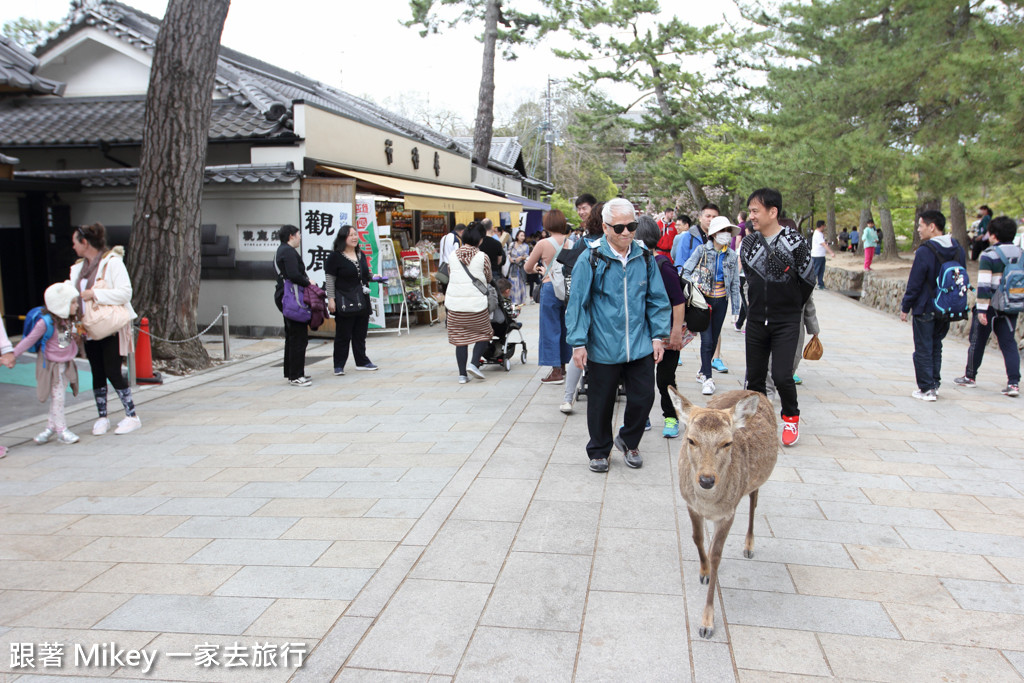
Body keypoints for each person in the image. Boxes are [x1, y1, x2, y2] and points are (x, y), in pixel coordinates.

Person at [566, 198, 670, 472]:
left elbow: (657, 299)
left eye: (631, 226)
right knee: (600, 402)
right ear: (605, 226)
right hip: (602, 344)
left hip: (639, 343)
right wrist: (578, 342)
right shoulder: (591, 257)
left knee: (644, 397)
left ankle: (628, 440)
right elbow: (578, 303)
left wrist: (658, 335)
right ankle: (599, 450)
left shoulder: (645, 257)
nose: (626, 233)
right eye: (620, 227)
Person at [740, 189, 814, 446]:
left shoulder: (795, 242)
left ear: (773, 212)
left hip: (786, 321)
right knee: (755, 378)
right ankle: (757, 423)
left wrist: (790, 305)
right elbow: (748, 279)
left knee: (782, 376)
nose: (751, 217)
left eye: (755, 211)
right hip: (757, 320)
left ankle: (791, 418)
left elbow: (808, 280)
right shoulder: (748, 243)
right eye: (750, 211)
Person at [70, 223, 142, 434]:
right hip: (89, 326)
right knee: (97, 371)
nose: (73, 247)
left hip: (110, 325)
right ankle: (102, 417)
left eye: (75, 242)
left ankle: (131, 415)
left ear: (84, 242)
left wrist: (95, 294)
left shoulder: (112, 262)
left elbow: (124, 293)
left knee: (112, 369)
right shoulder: (77, 268)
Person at [899, 210, 966, 402]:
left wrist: (906, 306)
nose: (918, 230)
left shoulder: (925, 251)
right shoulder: (957, 249)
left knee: (923, 347)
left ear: (932, 226)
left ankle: (926, 388)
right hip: (946, 307)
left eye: (921, 225)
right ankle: (934, 384)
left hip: (925, 306)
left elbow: (915, 282)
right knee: (936, 346)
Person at [954, 215, 1021, 396]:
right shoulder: (1020, 253)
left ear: (993, 235)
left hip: (990, 304)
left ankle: (970, 376)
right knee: (1008, 343)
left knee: (978, 341)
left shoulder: (989, 254)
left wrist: (982, 310)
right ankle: (1013, 383)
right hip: (1011, 303)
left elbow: (984, 284)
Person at [11, 281, 83, 445]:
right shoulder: (45, 322)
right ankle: (62, 431)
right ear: (61, 304)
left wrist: (76, 339)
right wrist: (12, 355)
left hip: (65, 364)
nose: (77, 306)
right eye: (73, 302)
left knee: (58, 396)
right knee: (58, 398)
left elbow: (63, 345)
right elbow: (29, 340)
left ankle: (50, 429)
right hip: (50, 366)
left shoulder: (66, 321)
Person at [637, 217, 686, 437]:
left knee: (665, 378)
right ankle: (641, 417)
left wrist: (676, 334)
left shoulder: (663, 266)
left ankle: (671, 417)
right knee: (641, 379)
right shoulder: (636, 264)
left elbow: (678, 301)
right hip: (642, 334)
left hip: (667, 335)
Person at [683, 216, 741, 396]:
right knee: (707, 340)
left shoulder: (731, 255)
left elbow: (735, 282)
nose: (726, 235)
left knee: (714, 338)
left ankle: (702, 371)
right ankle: (708, 377)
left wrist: (736, 309)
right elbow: (685, 270)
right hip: (703, 302)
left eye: (728, 232)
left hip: (722, 301)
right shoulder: (702, 250)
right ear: (714, 233)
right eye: (723, 231)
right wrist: (692, 289)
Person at [556, 203, 605, 413]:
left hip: (582, 304)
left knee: (579, 350)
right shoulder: (607, 245)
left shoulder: (582, 243)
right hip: (600, 307)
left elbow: (569, 271)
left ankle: (568, 398)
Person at [525, 210, 574, 384]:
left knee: (550, 328)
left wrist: (539, 269)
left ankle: (555, 371)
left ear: (547, 225)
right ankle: (563, 364)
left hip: (550, 287)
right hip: (567, 289)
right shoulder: (571, 242)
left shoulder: (543, 243)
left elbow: (527, 267)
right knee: (564, 327)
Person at [325, 224, 377, 376]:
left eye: (356, 234)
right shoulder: (335, 257)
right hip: (344, 299)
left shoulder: (361, 254)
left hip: (362, 298)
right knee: (343, 334)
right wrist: (331, 299)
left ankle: (362, 361)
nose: (355, 237)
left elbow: (364, 275)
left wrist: (375, 277)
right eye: (351, 235)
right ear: (343, 238)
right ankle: (339, 364)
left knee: (360, 333)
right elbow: (330, 280)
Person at [445, 223, 492, 384]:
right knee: (485, 334)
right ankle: (474, 363)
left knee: (460, 340)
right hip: (476, 305)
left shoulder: (452, 256)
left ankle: (462, 375)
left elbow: (451, 275)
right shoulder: (482, 257)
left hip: (455, 306)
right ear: (479, 239)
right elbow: (488, 277)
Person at [273, 225, 313, 387]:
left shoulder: (281, 250)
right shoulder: (288, 252)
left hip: (285, 295)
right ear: (291, 236)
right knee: (298, 336)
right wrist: (308, 282)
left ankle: (292, 372)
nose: (300, 238)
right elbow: (294, 274)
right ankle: (296, 375)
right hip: (292, 297)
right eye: (298, 235)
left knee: (292, 336)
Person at [675, 203, 719, 269]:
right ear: (700, 218)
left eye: (714, 217)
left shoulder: (720, 238)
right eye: (708, 216)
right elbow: (680, 262)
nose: (711, 220)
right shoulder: (688, 237)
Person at [507, 230, 530, 305]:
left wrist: (521, 258)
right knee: (512, 282)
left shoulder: (525, 246)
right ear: (517, 236)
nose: (523, 237)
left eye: (523, 236)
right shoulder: (512, 244)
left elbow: (527, 256)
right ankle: (512, 299)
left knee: (520, 282)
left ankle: (520, 300)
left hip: (520, 267)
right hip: (512, 266)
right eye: (521, 235)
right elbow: (508, 253)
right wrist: (509, 258)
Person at [811, 220, 836, 289]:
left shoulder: (820, 234)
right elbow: (823, 244)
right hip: (817, 255)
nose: (824, 227)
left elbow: (823, 243)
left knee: (821, 271)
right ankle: (812, 284)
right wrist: (831, 252)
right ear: (821, 226)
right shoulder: (817, 234)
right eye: (824, 225)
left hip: (821, 255)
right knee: (816, 270)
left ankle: (820, 284)